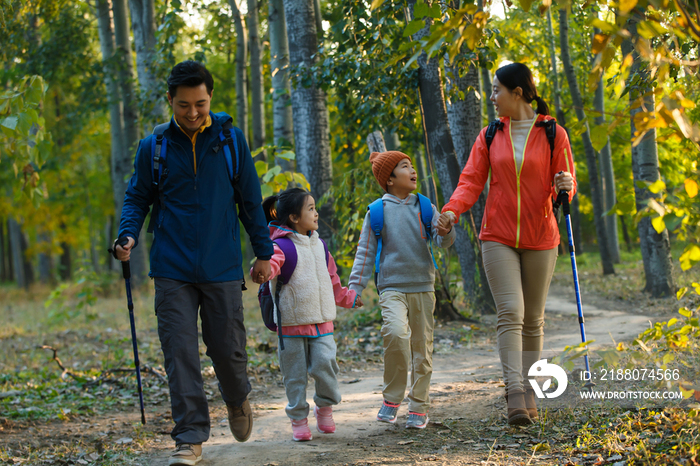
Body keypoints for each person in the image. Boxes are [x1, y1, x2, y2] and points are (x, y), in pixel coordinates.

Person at [113, 60, 274, 465]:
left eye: (199, 103)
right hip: (171, 267)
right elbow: (137, 198)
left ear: (210, 98)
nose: (192, 112)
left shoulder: (230, 141)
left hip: (221, 266)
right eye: (183, 104)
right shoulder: (155, 146)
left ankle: (237, 400)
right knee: (179, 351)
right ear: (170, 100)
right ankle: (189, 436)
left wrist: (263, 252)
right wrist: (128, 234)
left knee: (228, 351)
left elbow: (250, 202)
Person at [437, 62, 576, 426]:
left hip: (541, 236)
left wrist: (566, 186)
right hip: (497, 235)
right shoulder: (489, 135)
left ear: (518, 93)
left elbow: (566, 179)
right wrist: (452, 211)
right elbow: (470, 180)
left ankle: (530, 389)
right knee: (511, 311)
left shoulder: (553, 134)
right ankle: (515, 391)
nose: (492, 97)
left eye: (497, 89)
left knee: (533, 318)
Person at [348, 151, 456, 429]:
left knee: (423, 347)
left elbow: (441, 240)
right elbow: (364, 253)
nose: (412, 170)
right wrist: (354, 288)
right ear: (390, 179)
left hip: (422, 285)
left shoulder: (425, 205)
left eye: (411, 164)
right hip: (391, 286)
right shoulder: (376, 211)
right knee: (395, 334)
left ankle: (419, 405)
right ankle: (392, 398)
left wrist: (445, 229)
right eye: (404, 166)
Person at [258, 187, 363, 441]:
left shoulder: (320, 246)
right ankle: (298, 419)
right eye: (311, 209)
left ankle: (324, 407)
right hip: (291, 325)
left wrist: (348, 298)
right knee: (294, 376)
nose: (316, 213)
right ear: (295, 218)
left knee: (326, 365)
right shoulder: (280, 246)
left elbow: (332, 280)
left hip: (322, 323)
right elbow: (271, 266)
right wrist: (262, 270)